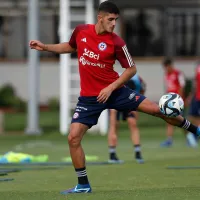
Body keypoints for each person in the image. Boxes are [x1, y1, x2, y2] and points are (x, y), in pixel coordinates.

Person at [29, 1, 200, 194]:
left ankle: (196, 130)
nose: (113, 24)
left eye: (116, 20)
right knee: (73, 138)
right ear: (100, 18)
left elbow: (131, 69)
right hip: (89, 98)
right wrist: (45, 47)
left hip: (116, 92)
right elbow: (69, 46)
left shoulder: (117, 42)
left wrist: (110, 88)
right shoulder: (81, 32)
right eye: (110, 20)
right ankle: (83, 184)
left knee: (156, 110)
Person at [108, 74, 146, 164]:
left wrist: (138, 103)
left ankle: (137, 152)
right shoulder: (116, 75)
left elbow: (142, 89)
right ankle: (112, 155)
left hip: (129, 101)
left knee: (132, 123)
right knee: (114, 125)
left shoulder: (137, 78)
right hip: (115, 100)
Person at [160, 58, 197, 147]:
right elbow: (168, 88)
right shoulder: (166, 75)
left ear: (170, 65)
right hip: (169, 103)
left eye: (167, 67)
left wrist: (178, 99)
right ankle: (169, 140)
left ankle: (190, 137)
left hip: (177, 102)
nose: (166, 69)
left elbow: (181, 87)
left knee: (182, 122)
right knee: (169, 120)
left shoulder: (178, 74)